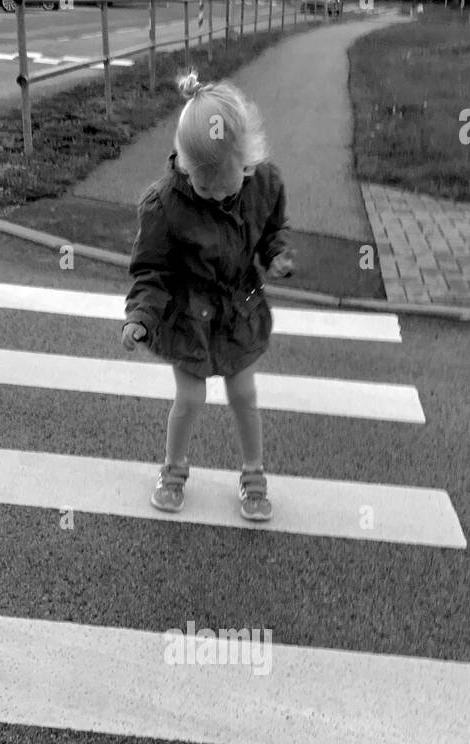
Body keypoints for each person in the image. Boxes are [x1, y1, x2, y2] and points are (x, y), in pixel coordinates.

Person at [121, 70, 295, 523]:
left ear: (248, 160)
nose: (216, 193)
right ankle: (173, 470)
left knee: (244, 394)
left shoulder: (265, 184)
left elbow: (272, 229)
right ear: (181, 162)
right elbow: (151, 269)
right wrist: (141, 315)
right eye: (203, 185)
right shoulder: (164, 205)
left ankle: (253, 473)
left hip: (238, 312)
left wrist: (275, 254)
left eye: (226, 183)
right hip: (188, 317)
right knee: (191, 398)